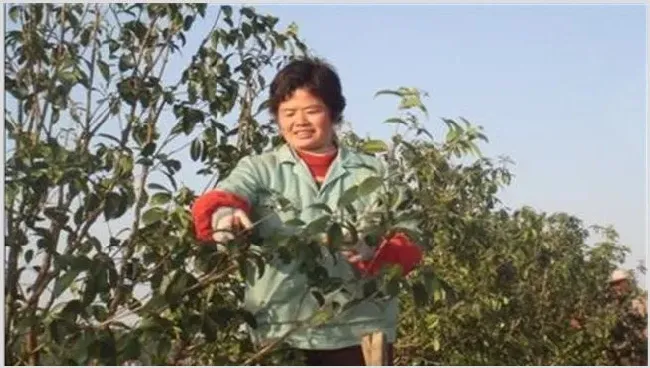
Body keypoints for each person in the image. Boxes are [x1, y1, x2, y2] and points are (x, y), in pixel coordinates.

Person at [191, 57, 423, 365]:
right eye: (288, 113)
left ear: (333, 113)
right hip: (279, 331)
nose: (300, 122)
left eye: (312, 111)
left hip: (360, 332)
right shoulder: (261, 169)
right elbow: (228, 194)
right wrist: (223, 214)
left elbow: (412, 234)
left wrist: (376, 252)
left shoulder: (374, 172)